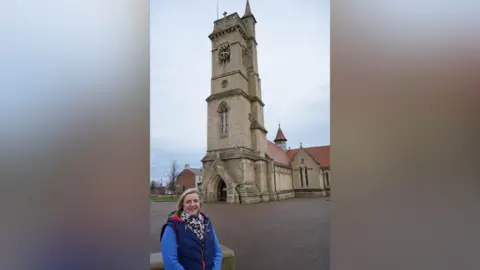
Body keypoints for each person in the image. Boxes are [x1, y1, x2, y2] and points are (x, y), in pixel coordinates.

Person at [161, 188, 223, 270]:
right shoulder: (172, 227)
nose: (192, 204)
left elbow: (217, 251)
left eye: (195, 201)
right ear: (182, 205)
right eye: (188, 202)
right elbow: (170, 262)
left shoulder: (206, 223)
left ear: (199, 203)